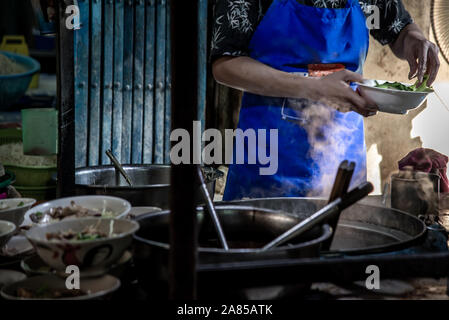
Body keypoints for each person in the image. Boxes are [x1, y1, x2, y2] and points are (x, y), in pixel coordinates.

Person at [211, 0, 440, 200]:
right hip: (269, 156)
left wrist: (415, 39)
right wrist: (313, 88)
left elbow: (398, 29)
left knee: (343, 240)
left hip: (342, 157)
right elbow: (225, 65)